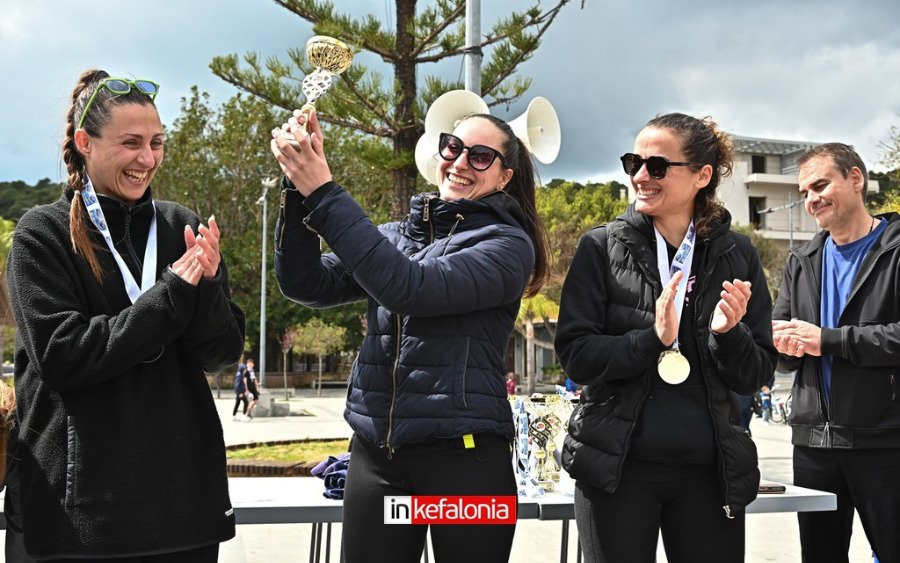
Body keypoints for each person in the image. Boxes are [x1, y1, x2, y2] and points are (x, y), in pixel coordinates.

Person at [271, 107, 550, 562]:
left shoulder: (507, 245)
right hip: (377, 459)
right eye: (453, 147)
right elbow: (306, 284)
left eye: (480, 156)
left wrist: (323, 190)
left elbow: (409, 288)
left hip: (465, 462)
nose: (459, 163)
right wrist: (296, 185)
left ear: (504, 177)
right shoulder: (396, 235)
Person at [4, 69, 245, 561]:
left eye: (157, 143)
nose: (147, 159)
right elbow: (63, 356)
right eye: (131, 143)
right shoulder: (42, 234)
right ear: (84, 143)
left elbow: (219, 353)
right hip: (80, 514)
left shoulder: (181, 226)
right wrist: (173, 292)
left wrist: (212, 285)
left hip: (183, 509)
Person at [555, 113, 776, 562]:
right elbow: (576, 357)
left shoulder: (739, 253)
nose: (640, 175)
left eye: (656, 166)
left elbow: (756, 372)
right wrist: (651, 339)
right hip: (616, 470)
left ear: (702, 175)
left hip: (708, 474)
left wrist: (730, 336)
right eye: (633, 162)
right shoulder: (600, 247)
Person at [771, 142, 900, 563]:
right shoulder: (802, 259)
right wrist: (780, 343)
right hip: (812, 445)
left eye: (820, 185)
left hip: (884, 440)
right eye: (804, 192)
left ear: (856, 179)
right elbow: (786, 349)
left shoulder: (895, 249)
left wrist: (828, 339)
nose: (811, 200)